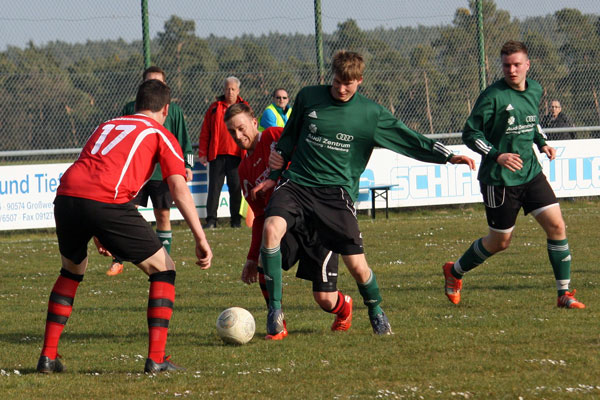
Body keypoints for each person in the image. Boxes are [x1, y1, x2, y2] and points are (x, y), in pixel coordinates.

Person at [255, 50, 476, 338]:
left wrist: (448, 156)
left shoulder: (370, 114)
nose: (341, 88)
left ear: (359, 81)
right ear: (330, 76)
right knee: (271, 229)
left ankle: (376, 311)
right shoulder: (308, 96)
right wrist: (274, 177)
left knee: (358, 267)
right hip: (298, 184)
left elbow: (408, 139)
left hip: (336, 195)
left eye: (348, 83)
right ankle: (275, 310)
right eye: (337, 82)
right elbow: (288, 139)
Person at [36, 79, 213, 374]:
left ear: (137, 102)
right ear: (165, 109)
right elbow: (179, 189)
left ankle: (47, 357)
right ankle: (157, 359)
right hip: (106, 201)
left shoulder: (107, 125)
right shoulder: (160, 132)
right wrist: (200, 237)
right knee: (164, 269)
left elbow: (91, 169)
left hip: (66, 196)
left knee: (71, 270)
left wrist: (96, 229)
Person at [443, 41, 585, 309]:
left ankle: (563, 294)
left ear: (527, 65)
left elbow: (531, 121)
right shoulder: (492, 96)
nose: (511, 70)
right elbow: (470, 134)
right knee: (500, 242)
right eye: (507, 65)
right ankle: (455, 271)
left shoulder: (535, 89)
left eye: (517, 64)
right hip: (500, 180)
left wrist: (542, 142)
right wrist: (498, 155)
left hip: (531, 173)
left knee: (557, 226)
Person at [225, 103, 353, 340]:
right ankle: (277, 321)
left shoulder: (275, 137)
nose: (238, 136)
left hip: (316, 222)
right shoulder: (243, 170)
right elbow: (261, 217)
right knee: (265, 258)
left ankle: (344, 307)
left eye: (241, 128)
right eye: (232, 132)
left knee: (325, 299)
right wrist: (252, 258)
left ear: (254, 122)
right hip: (284, 229)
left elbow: (306, 160)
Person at [107, 66, 195, 276]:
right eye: (149, 82)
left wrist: (188, 165)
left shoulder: (173, 110)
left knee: (162, 215)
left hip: (162, 173)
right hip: (136, 172)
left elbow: (184, 140)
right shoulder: (131, 108)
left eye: (159, 82)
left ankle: (164, 260)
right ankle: (118, 259)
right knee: (128, 212)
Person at [198, 76, 247, 229]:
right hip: (217, 155)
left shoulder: (245, 107)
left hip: (237, 156)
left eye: (233, 89)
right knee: (214, 189)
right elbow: (205, 131)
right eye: (227, 89)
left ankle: (236, 221)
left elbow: (250, 130)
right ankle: (211, 220)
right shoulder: (214, 108)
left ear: (238, 90)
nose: (230, 92)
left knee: (235, 189)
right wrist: (202, 153)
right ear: (223, 90)